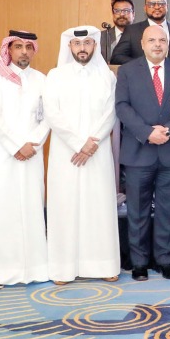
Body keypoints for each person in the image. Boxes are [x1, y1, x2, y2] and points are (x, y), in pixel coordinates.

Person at [116, 25, 170, 281]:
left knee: (167, 211)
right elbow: (122, 106)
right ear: (142, 44)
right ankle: (139, 263)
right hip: (139, 151)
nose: (157, 44)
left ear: (168, 44)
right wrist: (147, 132)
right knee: (137, 211)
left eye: (162, 40)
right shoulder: (127, 71)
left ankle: (165, 261)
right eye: (152, 40)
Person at [46, 26, 122, 284]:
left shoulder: (107, 77)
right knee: (65, 207)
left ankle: (103, 265)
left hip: (97, 152)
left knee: (98, 207)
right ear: (69, 46)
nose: (82, 48)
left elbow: (111, 113)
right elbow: (52, 113)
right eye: (77, 44)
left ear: (95, 46)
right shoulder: (55, 76)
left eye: (87, 43)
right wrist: (79, 143)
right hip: (66, 153)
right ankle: (63, 268)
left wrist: (93, 142)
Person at [0, 30, 50, 288]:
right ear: (8, 49)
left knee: (32, 209)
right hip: (3, 155)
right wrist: (16, 145)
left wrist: (33, 143)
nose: (23, 51)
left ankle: (34, 270)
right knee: (2, 210)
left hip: (32, 154)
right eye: (18, 46)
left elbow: (48, 117)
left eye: (28, 47)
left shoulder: (42, 80)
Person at [110, 0, 170, 65]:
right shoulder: (132, 31)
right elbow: (116, 57)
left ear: (167, 6)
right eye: (151, 4)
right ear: (145, 8)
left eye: (161, 4)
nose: (156, 7)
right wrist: (143, 65)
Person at [100, 0, 134, 64]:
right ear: (113, 14)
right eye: (117, 11)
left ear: (133, 14)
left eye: (126, 11)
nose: (121, 14)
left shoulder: (142, 36)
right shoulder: (101, 37)